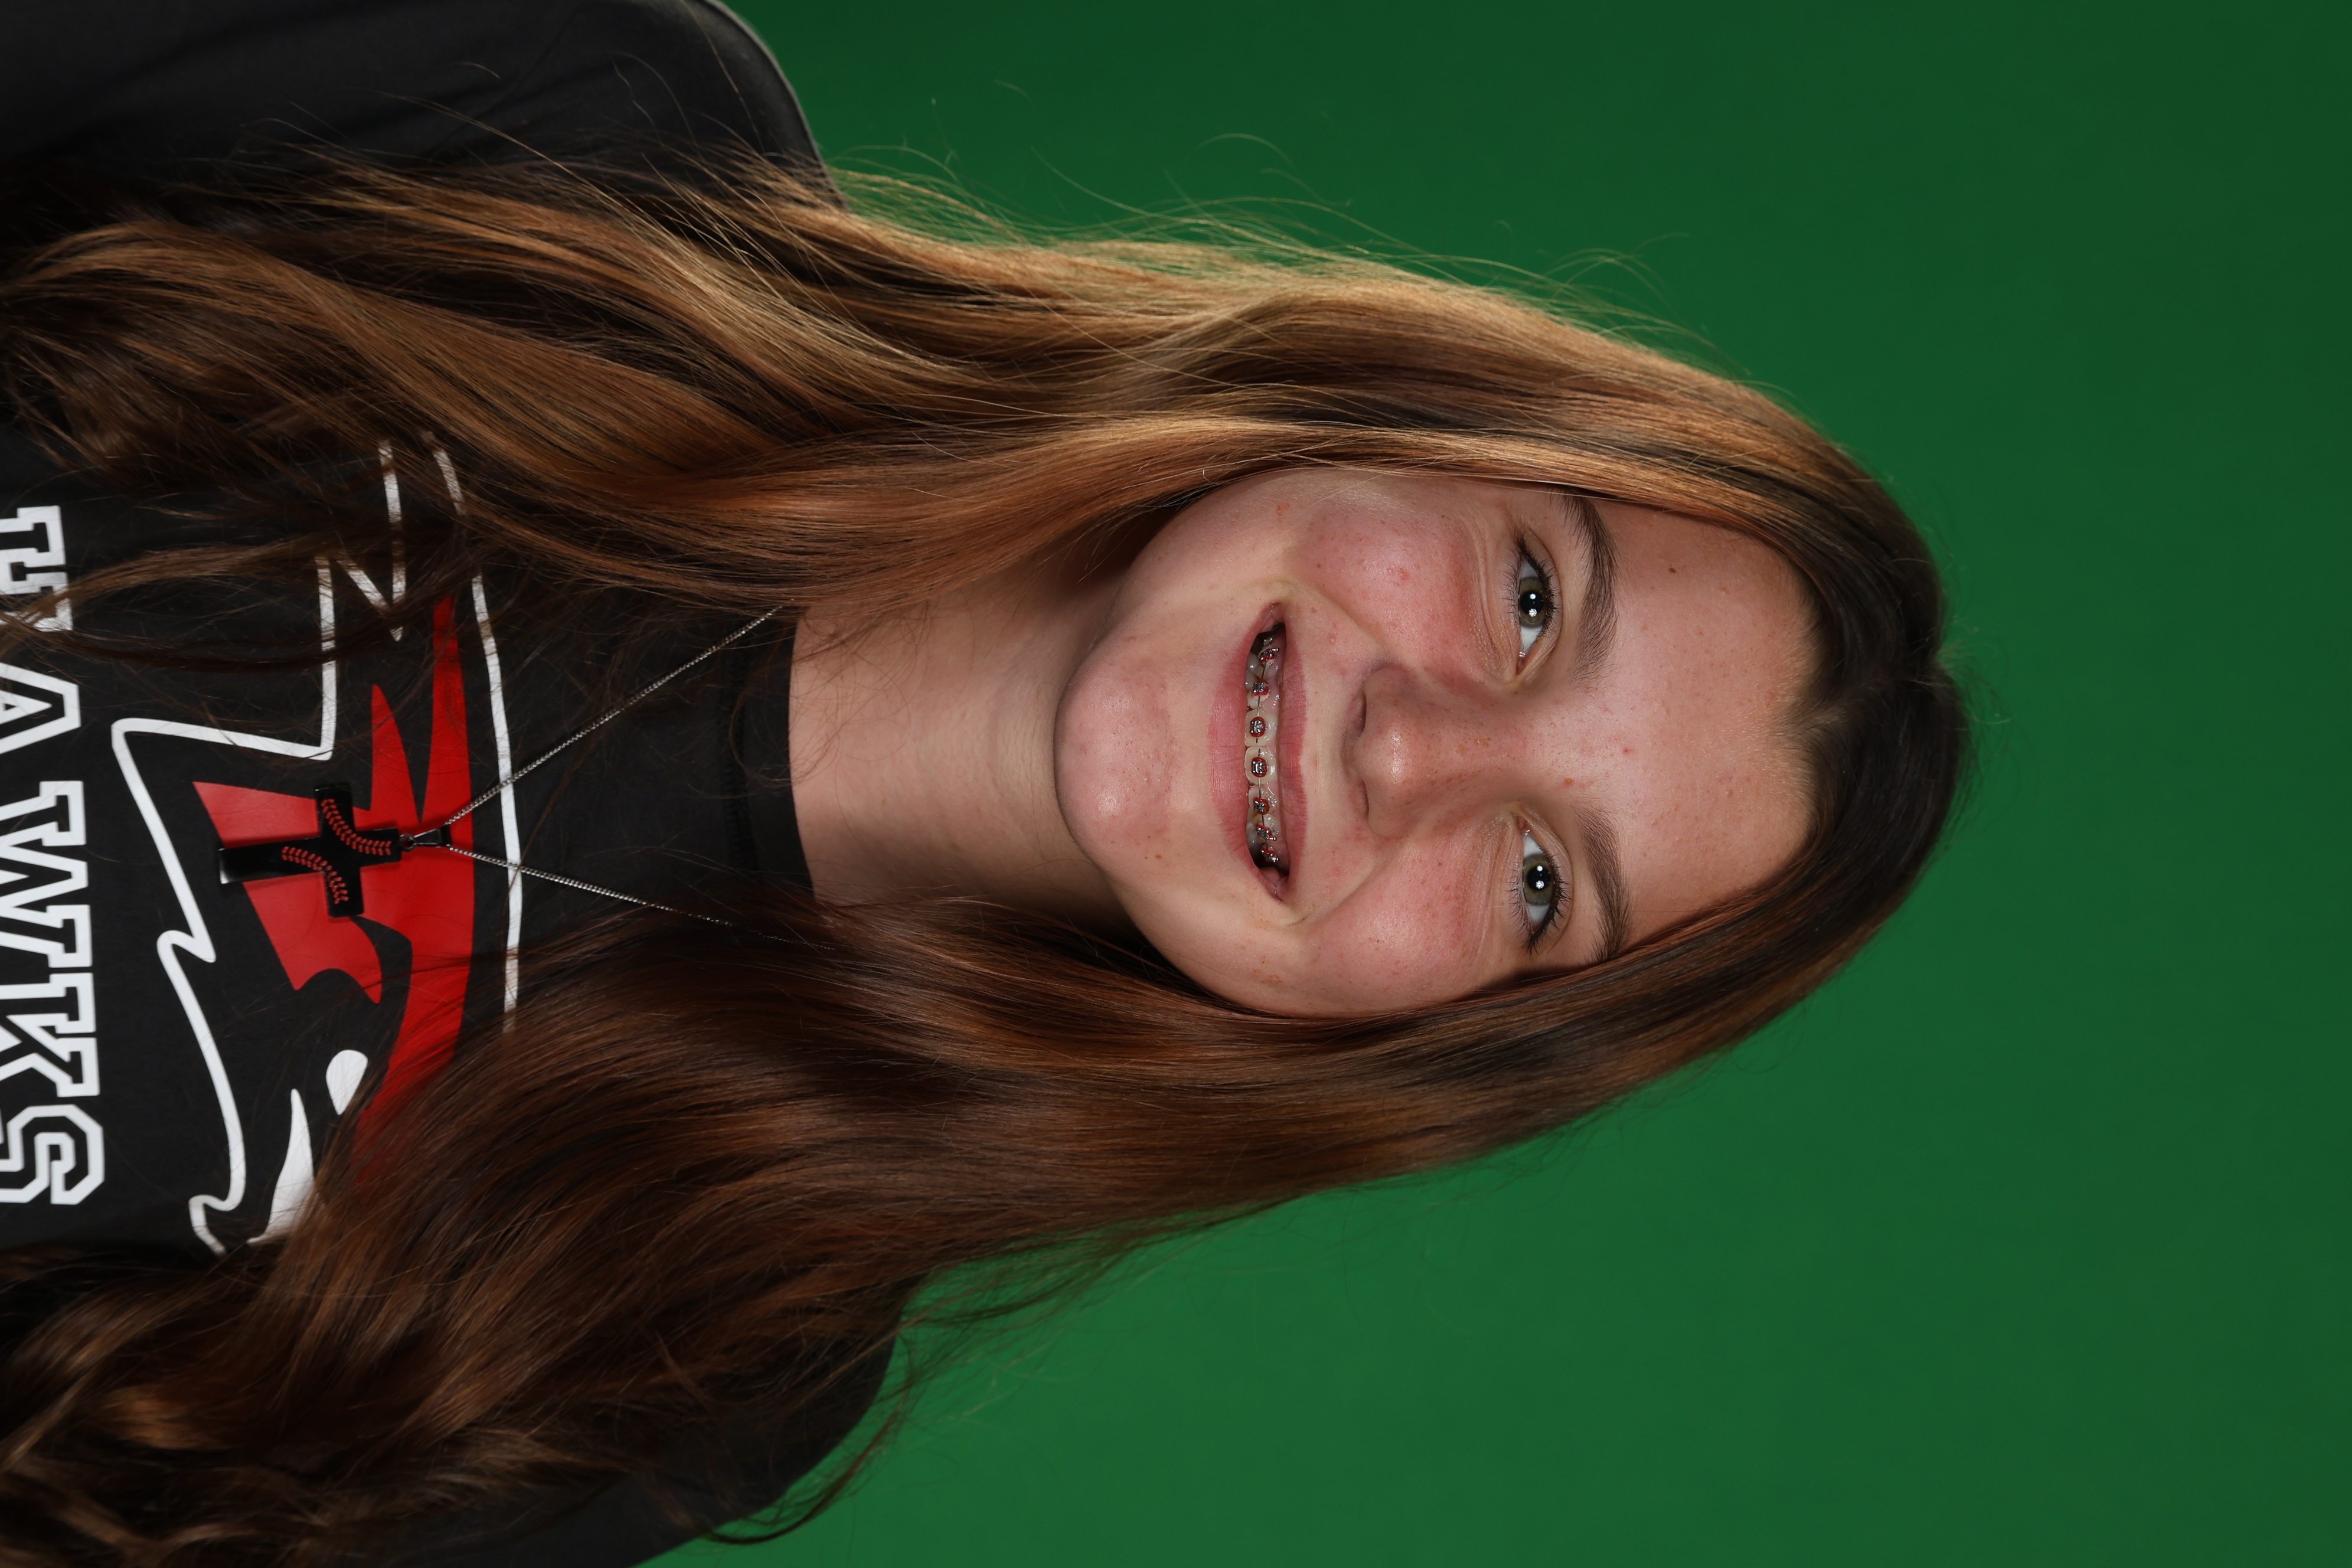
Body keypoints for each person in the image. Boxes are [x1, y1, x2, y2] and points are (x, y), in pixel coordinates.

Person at [0, 2, 1967, 1563]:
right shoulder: (596, 137)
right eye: (1531, 601)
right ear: (1421, 417)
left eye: (1541, 881)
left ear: (1440, 1037)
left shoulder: (702, 1350)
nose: (1413, 750)